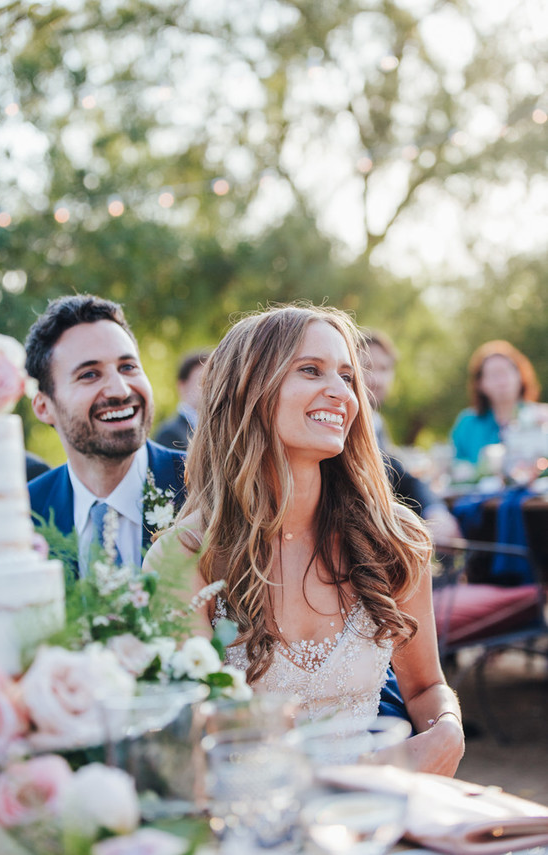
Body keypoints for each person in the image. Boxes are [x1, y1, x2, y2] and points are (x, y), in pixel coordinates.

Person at [145, 305, 465, 775]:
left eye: (347, 376)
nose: (341, 393)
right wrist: (383, 766)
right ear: (247, 391)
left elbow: (423, 689)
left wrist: (447, 726)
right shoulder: (186, 558)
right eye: (311, 370)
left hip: (383, 815)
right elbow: (199, 748)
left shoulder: (393, 538)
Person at [25, 295, 186, 577]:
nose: (120, 390)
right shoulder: (25, 518)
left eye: (128, 367)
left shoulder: (208, 489)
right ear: (43, 407)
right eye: (89, 374)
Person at [362, 330, 461, 543]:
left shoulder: (376, 421)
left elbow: (400, 476)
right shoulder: (343, 421)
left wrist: (435, 510)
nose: (376, 379)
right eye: (366, 367)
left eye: (384, 369)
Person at [451, 340, 541, 465]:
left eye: (506, 372)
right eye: (494, 375)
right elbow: (457, 469)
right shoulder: (467, 423)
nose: (501, 381)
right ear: (480, 384)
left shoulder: (541, 417)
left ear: (520, 376)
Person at [154, 350, 210, 450]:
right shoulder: (169, 434)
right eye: (201, 381)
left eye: (211, 380)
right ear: (182, 386)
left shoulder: (214, 428)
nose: (208, 387)